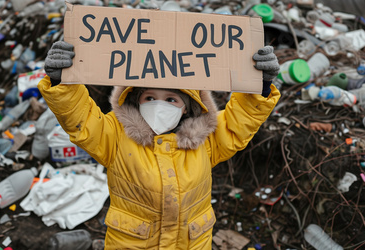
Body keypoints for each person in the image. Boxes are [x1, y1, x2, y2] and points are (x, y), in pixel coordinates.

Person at [38, 40, 281, 249]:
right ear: (136, 99)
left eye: (171, 99)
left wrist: (258, 87)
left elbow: (237, 124)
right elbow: (81, 119)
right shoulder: (115, 135)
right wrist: (63, 83)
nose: (159, 105)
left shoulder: (205, 140)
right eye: (150, 98)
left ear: (187, 107)